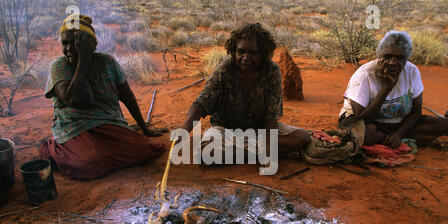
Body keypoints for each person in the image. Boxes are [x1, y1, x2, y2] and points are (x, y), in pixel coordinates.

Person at [40, 14, 164, 180]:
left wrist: (144, 127)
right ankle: (51, 149)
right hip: (75, 128)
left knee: (145, 150)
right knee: (88, 165)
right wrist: (83, 59)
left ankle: (99, 154)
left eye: (76, 43)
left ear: (91, 44)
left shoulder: (107, 62)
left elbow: (128, 97)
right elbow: (72, 99)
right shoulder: (59, 66)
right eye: (65, 43)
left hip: (108, 122)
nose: (69, 48)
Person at [180, 23, 310, 163]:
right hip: (227, 130)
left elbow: (270, 119)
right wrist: (185, 130)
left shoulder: (271, 71)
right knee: (206, 153)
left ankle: (248, 152)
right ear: (233, 51)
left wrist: (267, 149)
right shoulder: (225, 70)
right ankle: (258, 152)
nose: (246, 58)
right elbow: (200, 105)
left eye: (253, 53)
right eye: (241, 52)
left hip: (260, 130)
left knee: (301, 137)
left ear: (263, 54)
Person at [339, 30, 448, 148]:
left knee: (444, 124)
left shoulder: (412, 71)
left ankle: (393, 138)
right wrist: (387, 87)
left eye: (400, 58)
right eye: (387, 56)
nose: (392, 62)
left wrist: (398, 133)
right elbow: (361, 117)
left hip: (399, 123)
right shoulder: (365, 75)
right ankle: (405, 139)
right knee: (367, 134)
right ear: (379, 56)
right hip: (365, 122)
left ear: (406, 59)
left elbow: (416, 113)